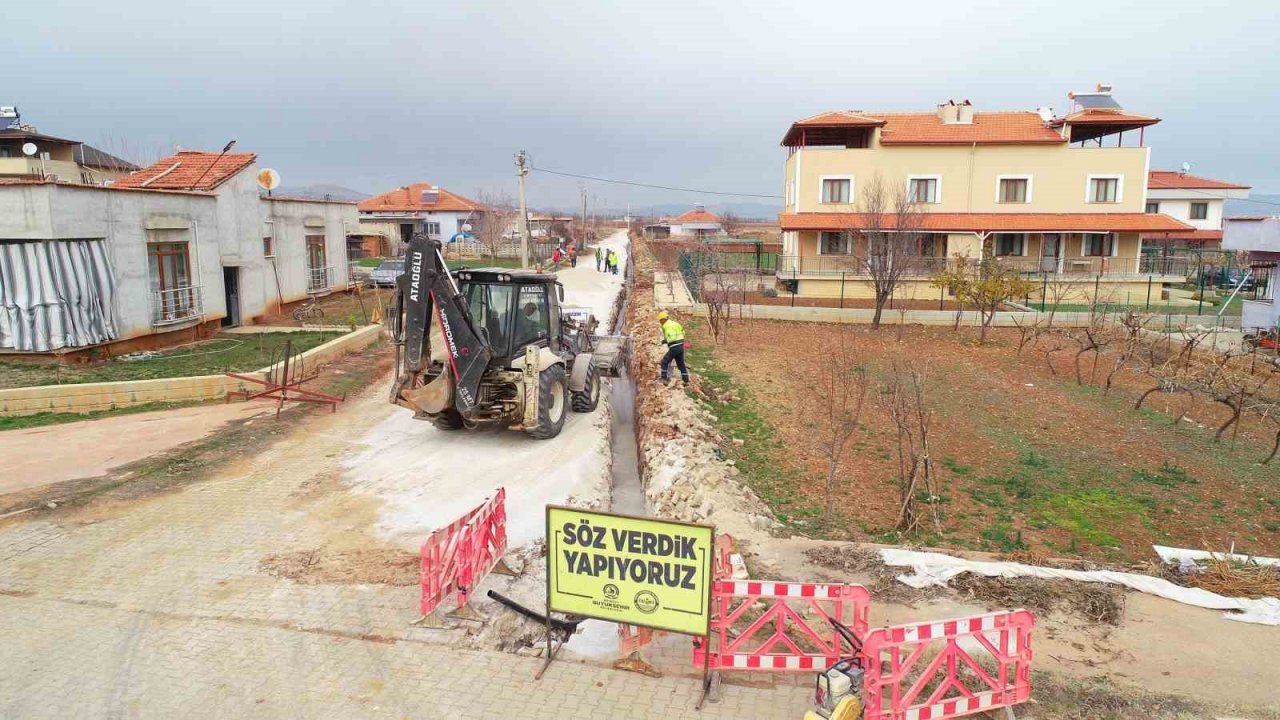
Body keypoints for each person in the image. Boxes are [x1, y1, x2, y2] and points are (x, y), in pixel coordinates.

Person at [656, 311, 688, 387]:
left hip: (674, 346)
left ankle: (664, 379)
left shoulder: (666, 326)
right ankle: (686, 380)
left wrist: (666, 340)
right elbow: (683, 332)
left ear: (664, 319)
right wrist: (666, 340)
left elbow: (671, 337)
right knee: (681, 364)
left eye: (660, 320)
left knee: (664, 361)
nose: (660, 322)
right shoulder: (675, 323)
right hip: (681, 345)